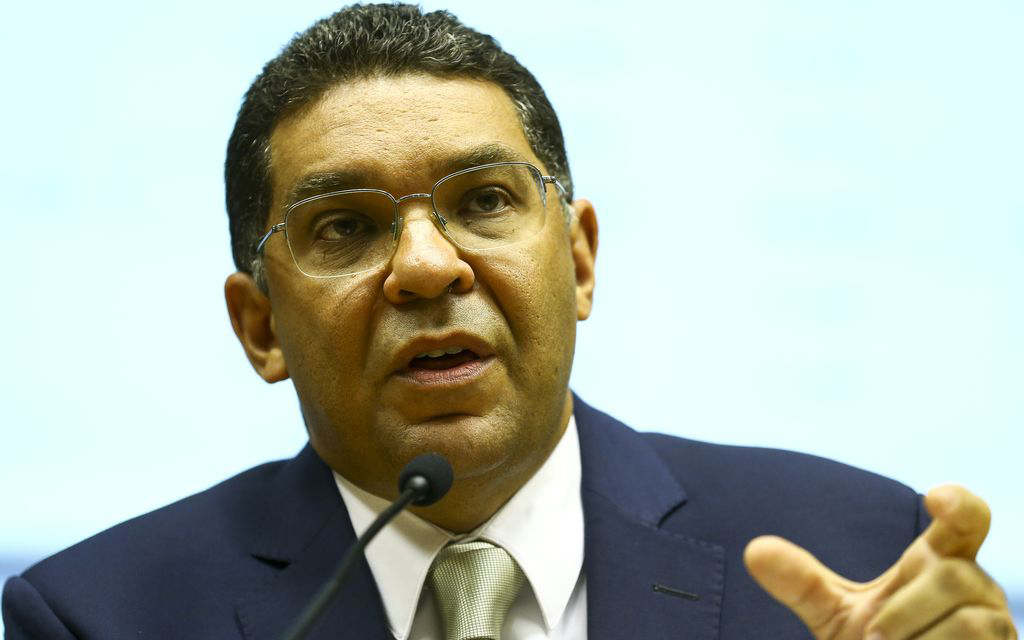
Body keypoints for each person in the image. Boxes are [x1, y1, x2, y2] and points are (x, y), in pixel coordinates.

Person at [2, 4, 1016, 639]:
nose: (427, 266)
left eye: (484, 200)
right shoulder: (98, 618)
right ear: (261, 326)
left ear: (577, 259)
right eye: (345, 226)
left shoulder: (859, 553)